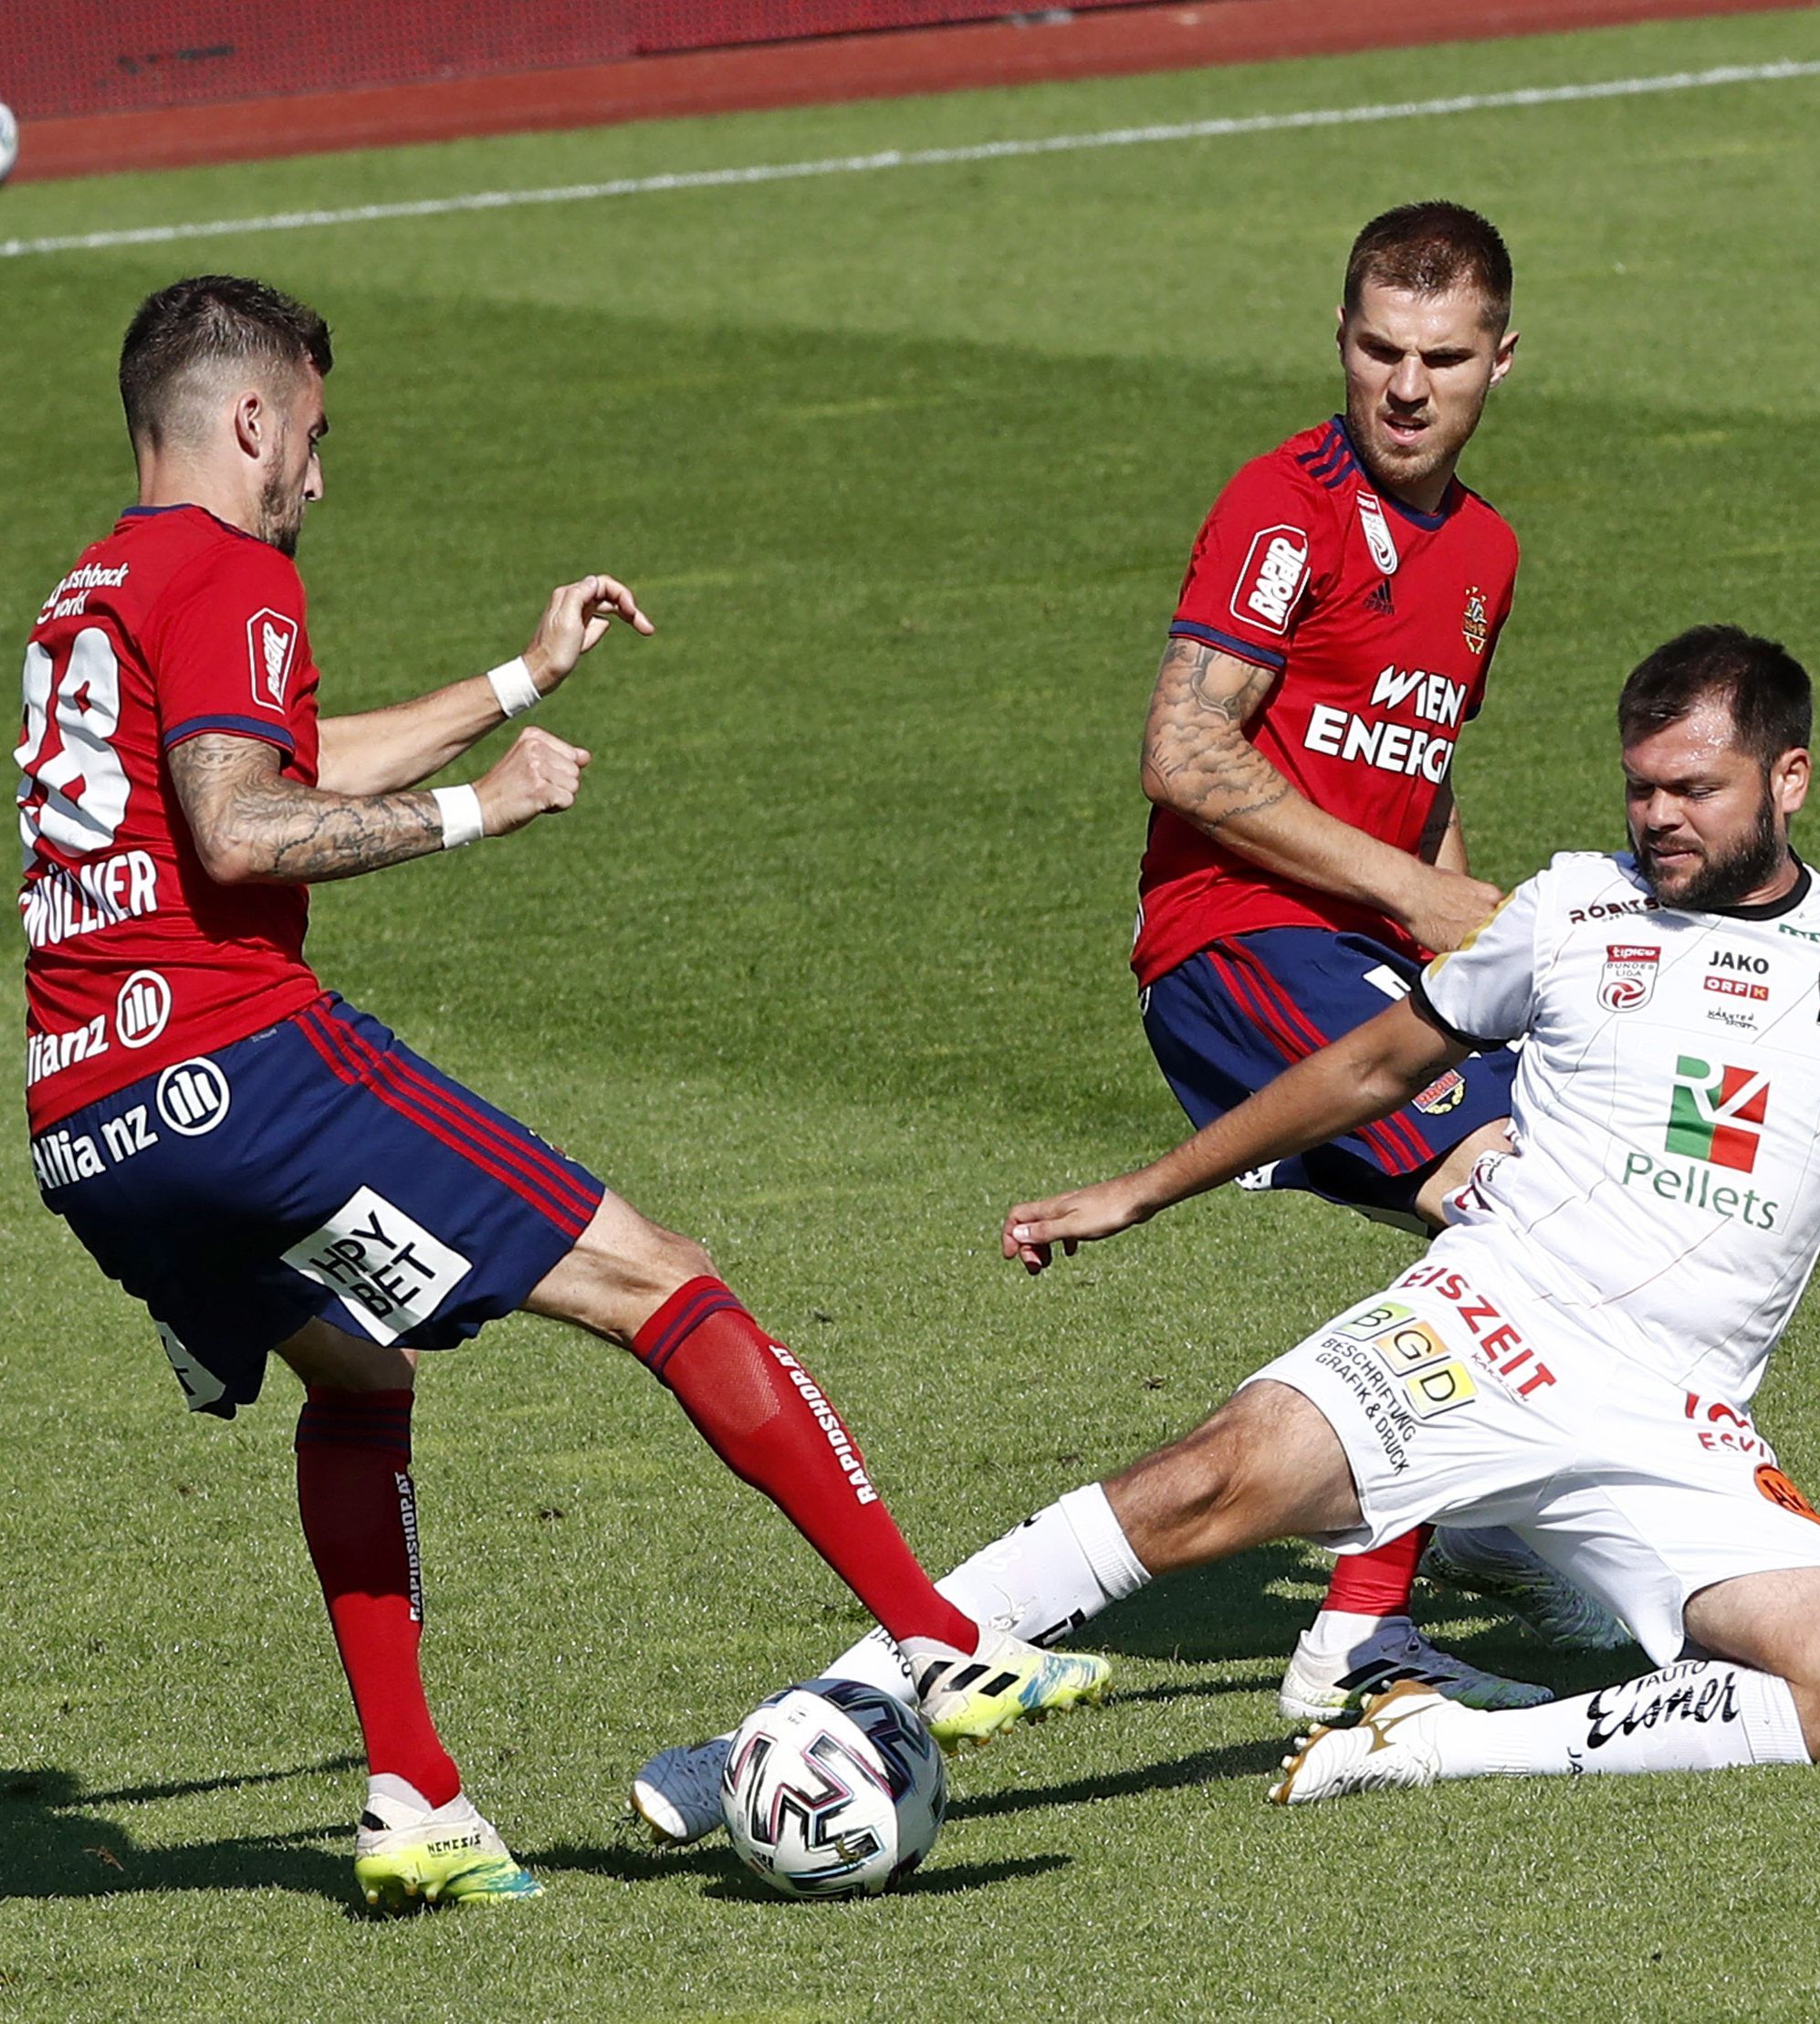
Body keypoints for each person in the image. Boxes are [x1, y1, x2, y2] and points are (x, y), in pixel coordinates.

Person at [17, 275, 1106, 1913]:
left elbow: (258, 770)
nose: (319, 477)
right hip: (244, 1069)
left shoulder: (86, 590)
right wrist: (487, 808)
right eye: (311, 438)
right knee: (658, 1278)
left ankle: (416, 1800)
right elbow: (246, 830)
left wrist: (519, 680)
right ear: (250, 421)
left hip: (88, 1126)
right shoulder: (232, 567)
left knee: (359, 1381)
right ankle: (937, 1639)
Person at [638, 624, 1820, 1825]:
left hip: (1678, 1417)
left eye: (1693, 790)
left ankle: (1442, 1742)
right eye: (1639, 787)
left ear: (1788, 778)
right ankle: (789, 1722)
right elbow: (1374, 1065)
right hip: (1488, 1325)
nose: (1656, 818)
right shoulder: (1569, 906)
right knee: (1195, 1487)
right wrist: (1145, 1185)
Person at [1132, 199, 1613, 1721]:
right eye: (1378, 351)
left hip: (1367, 946)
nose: (1406, 388)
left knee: (1578, 1181)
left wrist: (1493, 967)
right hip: (1239, 941)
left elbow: (1416, 775)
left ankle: (1462, 1507)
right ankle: (1357, 1628)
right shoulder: (1282, 509)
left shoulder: (1482, 549)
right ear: (1338, 342)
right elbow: (1184, 752)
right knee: (1500, 1183)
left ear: (1501, 362)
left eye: (1443, 358)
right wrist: (1414, 896)